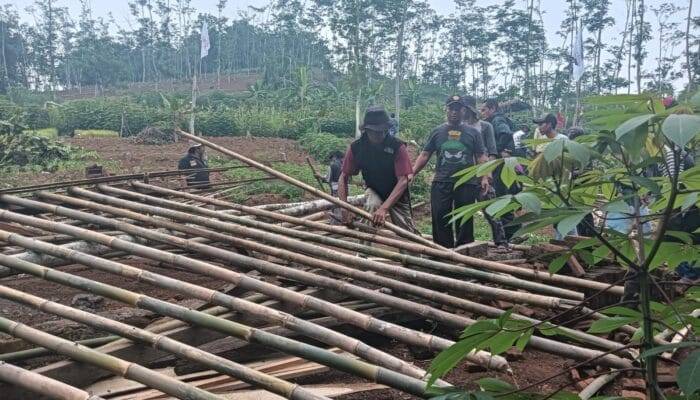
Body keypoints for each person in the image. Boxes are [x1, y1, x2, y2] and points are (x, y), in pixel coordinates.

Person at [412, 95, 488, 248]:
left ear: (464, 110)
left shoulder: (473, 133)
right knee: (440, 215)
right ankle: (442, 250)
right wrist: (412, 173)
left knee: (464, 218)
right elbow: (425, 154)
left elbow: (480, 156)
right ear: (446, 110)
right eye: (451, 108)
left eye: (458, 109)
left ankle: (464, 251)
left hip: (466, 182)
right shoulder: (437, 132)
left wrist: (484, 177)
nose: (454, 112)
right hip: (442, 180)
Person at [338, 106, 416, 231]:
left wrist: (384, 208)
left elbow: (403, 180)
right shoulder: (357, 148)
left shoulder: (397, 146)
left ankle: (409, 248)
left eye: (383, 130)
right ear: (367, 130)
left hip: (396, 192)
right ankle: (363, 249)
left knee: (406, 231)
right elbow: (343, 177)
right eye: (375, 131)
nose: (380, 134)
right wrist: (344, 207)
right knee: (371, 206)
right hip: (374, 189)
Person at [462, 95, 507, 246]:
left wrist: (487, 176)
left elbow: (492, 153)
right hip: (464, 178)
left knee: (491, 211)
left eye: (464, 108)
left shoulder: (485, 126)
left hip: (482, 176)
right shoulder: (457, 128)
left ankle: (501, 243)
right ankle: (466, 244)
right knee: (465, 214)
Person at [480, 98, 519, 242]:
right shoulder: (497, 120)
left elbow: (505, 134)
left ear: (493, 109)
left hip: (500, 164)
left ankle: (512, 234)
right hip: (503, 163)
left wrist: (497, 150)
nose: (482, 113)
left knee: (502, 196)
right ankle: (511, 233)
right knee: (502, 196)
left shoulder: (497, 120)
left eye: (484, 110)